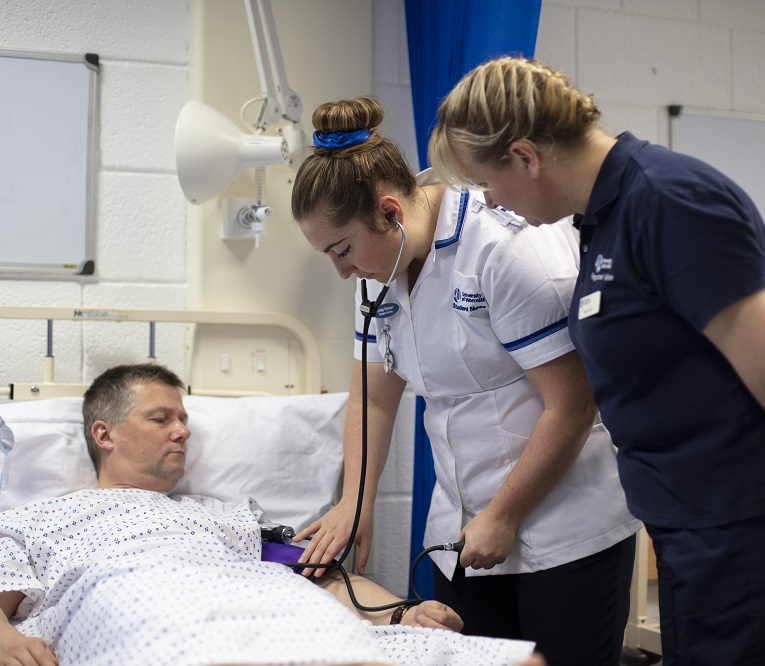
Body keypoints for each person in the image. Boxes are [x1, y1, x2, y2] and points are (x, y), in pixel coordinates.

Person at [427, 56, 765, 666]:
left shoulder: (669, 200)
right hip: (685, 528)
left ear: (526, 156)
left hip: (736, 530)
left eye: (487, 184)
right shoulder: (599, 222)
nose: (489, 203)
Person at [289, 96, 641, 666]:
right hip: (463, 527)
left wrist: (504, 514)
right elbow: (373, 399)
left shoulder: (506, 249)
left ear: (390, 212)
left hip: (563, 525)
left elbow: (573, 404)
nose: (341, 271)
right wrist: (356, 499)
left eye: (342, 249)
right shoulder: (376, 275)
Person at [0, 363, 544, 666]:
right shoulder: (35, 518)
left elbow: (324, 578)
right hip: (133, 598)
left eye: (184, 418)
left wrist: (403, 613)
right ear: (104, 434)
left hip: (261, 601)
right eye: (161, 418)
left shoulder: (224, 517)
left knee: (500, 661)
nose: (182, 430)